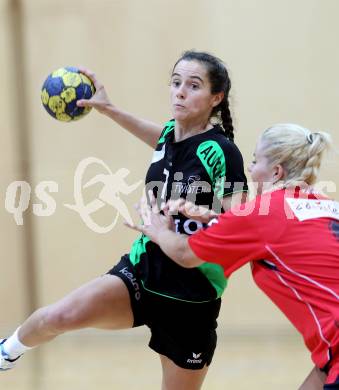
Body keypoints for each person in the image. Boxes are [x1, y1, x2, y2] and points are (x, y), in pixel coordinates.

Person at [0, 50, 248, 390]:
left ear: (215, 98)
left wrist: (199, 224)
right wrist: (109, 109)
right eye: (176, 83)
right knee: (60, 316)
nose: (180, 91)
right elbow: (158, 137)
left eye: (193, 85)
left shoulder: (220, 151)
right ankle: (6, 351)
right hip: (142, 272)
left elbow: (242, 220)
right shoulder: (170, 137)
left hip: (192, 296)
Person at [128, 123, 339, 389]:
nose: (250, 169)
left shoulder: (262, 213)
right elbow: (272, 232)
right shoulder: (326, 205)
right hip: (331, 357)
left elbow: (185, 254)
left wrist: (158, 231)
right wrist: (218, 219)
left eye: (254, 161)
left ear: (276, 172)